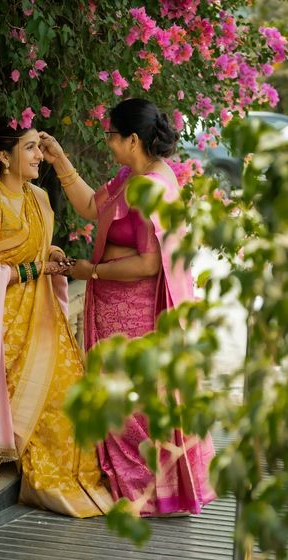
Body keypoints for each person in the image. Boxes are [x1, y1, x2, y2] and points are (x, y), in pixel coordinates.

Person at [39, 98, 216, 516]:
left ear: (133, 138)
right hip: (115, 305)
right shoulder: (131, 176)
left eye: (112, 136)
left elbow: (150, 262)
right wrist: (61, 159)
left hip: (133, 311)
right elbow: (91, 207)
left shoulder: (151, 187)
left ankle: (146, 490)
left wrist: (92, 272)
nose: (108, 143)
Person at [0, 118, 112, 518]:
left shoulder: (41, 196)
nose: (38, 156)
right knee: (49, 402)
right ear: (4, 157)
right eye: (29, 147)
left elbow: (37, 247)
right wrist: (35, 271)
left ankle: (85, 478)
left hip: (40, 305)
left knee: (73, 391)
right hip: (7, 312)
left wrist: (51, 254)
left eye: (38, 147)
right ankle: (51, 482)